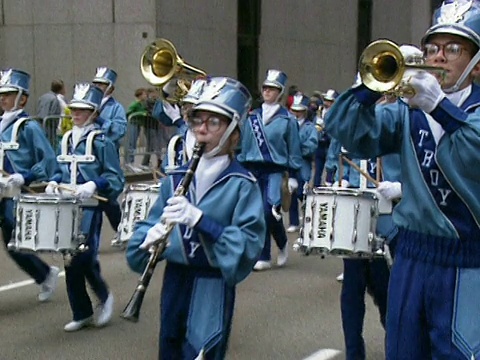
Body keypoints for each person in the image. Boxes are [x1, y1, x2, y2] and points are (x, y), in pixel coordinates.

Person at [325, 1, 480, 358]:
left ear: (476, 63)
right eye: (432, 48)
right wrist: (373, 85)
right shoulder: (405, 111)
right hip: (411, 257)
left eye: (453, 49)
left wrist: (438, 105)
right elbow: (345, 129)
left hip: (466, 263)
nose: (438, 57)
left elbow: (472, 155)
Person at [126, 76, 266, 359]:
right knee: (169, 348)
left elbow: (248, 246)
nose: (202, 128)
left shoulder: (242, 183)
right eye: (197, 120)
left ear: (233, 132)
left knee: (201, 352)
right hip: (175, 278)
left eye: (213, 122)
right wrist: (148, 240)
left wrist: (203, 222)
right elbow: (144, 233)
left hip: (211, 282)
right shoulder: (175, 179)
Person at [46, 83, 125, 331]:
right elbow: (60, 169)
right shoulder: (66, 139)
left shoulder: (102, 142)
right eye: (74, 109)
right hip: (67, 206)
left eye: (81, 110)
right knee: (70, 258)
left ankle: (104, 296)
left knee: (83, 255)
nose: (75, 113)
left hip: (90, 207)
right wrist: (54, 181)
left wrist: (94, 183)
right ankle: (81, 312)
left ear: (93, 113)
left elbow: (116, 178)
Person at [331, 152, 401, 360]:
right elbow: (338, 157)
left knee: (387, 295)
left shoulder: (400, 122)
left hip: (389, 225)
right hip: (355, 223)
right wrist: (340, 180)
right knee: (352, 291)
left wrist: (402, 188)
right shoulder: (350, 126)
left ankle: (397, 349)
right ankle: (353, 354)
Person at [0, 69, 60, 302]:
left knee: (14, 245)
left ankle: (45, 273)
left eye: (8, 93)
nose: (3, 98)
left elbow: (47, 160)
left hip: (14, 193)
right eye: (1, 94)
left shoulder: (29, 127)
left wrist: (24, 176)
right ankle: (45, 274)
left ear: (22, 98)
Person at [237, 69, 302, 271]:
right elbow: (243, 145)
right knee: (258, 213)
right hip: (253, 169)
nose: (267, 91)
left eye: (272, 89)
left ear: (280, 93)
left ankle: (282, 242)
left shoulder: (287, 119)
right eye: (265, 88)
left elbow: (294, 148)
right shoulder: (251, 116)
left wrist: (293, 176)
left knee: (270, 212)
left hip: (275, 171)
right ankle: (263, 255)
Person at [92, 67, 126, 236]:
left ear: (110, 88)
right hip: (88, 155)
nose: (98, 87)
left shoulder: (116, 107)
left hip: (106, 154)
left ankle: (121, 229)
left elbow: (120, 130)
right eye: (96, 83)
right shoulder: (88, 102)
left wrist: (100, 120)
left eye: (102, 84)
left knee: (107, 196)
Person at [287, 93, 318, 233]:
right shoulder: (288, 124)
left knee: (303, 193)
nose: (296, 113)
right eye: (294, 110)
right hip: (289, 164)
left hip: (303, 164)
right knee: (291, 194)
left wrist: (298, 149)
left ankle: (308, 219)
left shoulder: (309, 127)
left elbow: (312, 144)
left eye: (299, 110)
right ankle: (293, 221)